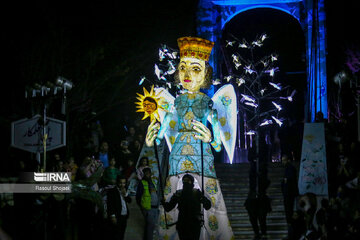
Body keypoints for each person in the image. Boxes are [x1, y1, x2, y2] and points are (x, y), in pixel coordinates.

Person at [145, 36, 234, 239]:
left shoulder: (207, 103)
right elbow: (165, 124)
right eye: (183, 67)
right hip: (178, 155)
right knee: (173, 193)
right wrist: (154, 137)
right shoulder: (176, 102)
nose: (187, 74)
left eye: (195, 68)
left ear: (205, 75)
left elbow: (218, 143)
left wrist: (211, 137)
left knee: (206, 194)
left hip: (201, 154)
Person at [162, 174, 211, 240]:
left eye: (188, 180)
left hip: (194, 224)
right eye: (184, 180)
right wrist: (164, 203)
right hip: (183, 224)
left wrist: (204, 200)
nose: (186, 182)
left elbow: (208, 206)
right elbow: (168, 208)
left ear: (192, 181)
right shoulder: (179, 193)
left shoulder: (197, 193)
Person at [136, 167, 159, 240]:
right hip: (147, 208)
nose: (147, 175)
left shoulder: (153, 182)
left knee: (150, 227)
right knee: (150, 227)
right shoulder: (142, 183)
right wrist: (142, 207)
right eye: (145, 173)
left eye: (148, 173)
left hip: (155, 208)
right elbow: (138, 196)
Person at [106, 175, 131, 240]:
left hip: (124, 216)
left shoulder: (125, 190)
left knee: (122, 235)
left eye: (124, 183)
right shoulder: (112, 191)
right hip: (117, 216)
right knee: (115, 235)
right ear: (117, 182)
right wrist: (112, 216)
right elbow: (110, 204)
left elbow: (129, 200)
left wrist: (125, 194)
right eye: (120, 183)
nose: (122, 185)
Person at [281, 153, 299, 231]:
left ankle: (291, 227)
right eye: (282, 161)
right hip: (288, 193)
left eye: (284, 160)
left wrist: (286, 181)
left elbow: (289, 180)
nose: (283, 162)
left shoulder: (290, 168)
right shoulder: (288, 168)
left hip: (289, 193)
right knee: (289, 211)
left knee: (289, 211)